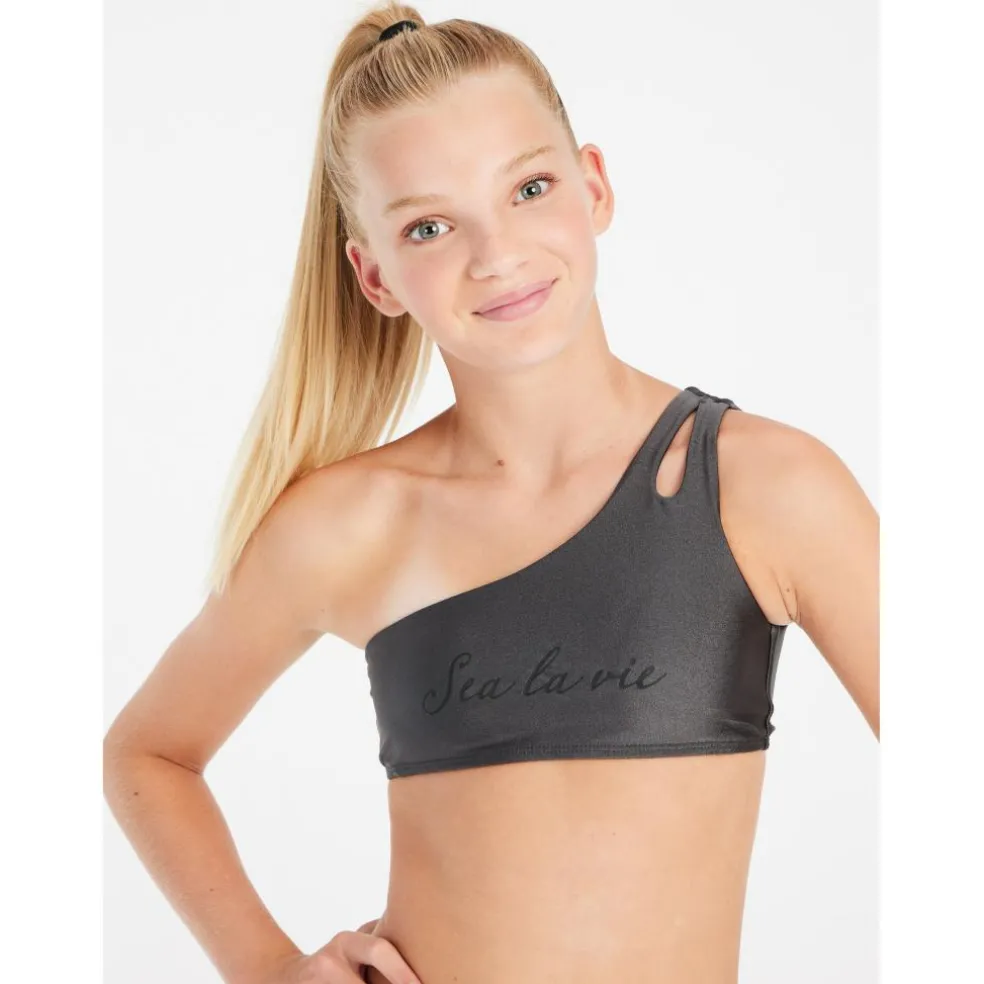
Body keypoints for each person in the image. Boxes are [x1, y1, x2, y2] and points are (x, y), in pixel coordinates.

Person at [103, 4, 879, 983]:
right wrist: (265, 967)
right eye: (429, 226)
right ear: (376, 276)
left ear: (593, 187)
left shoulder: (765, 489)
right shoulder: (348, 525)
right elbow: (148, 754)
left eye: (528, 188)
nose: (495, 253)